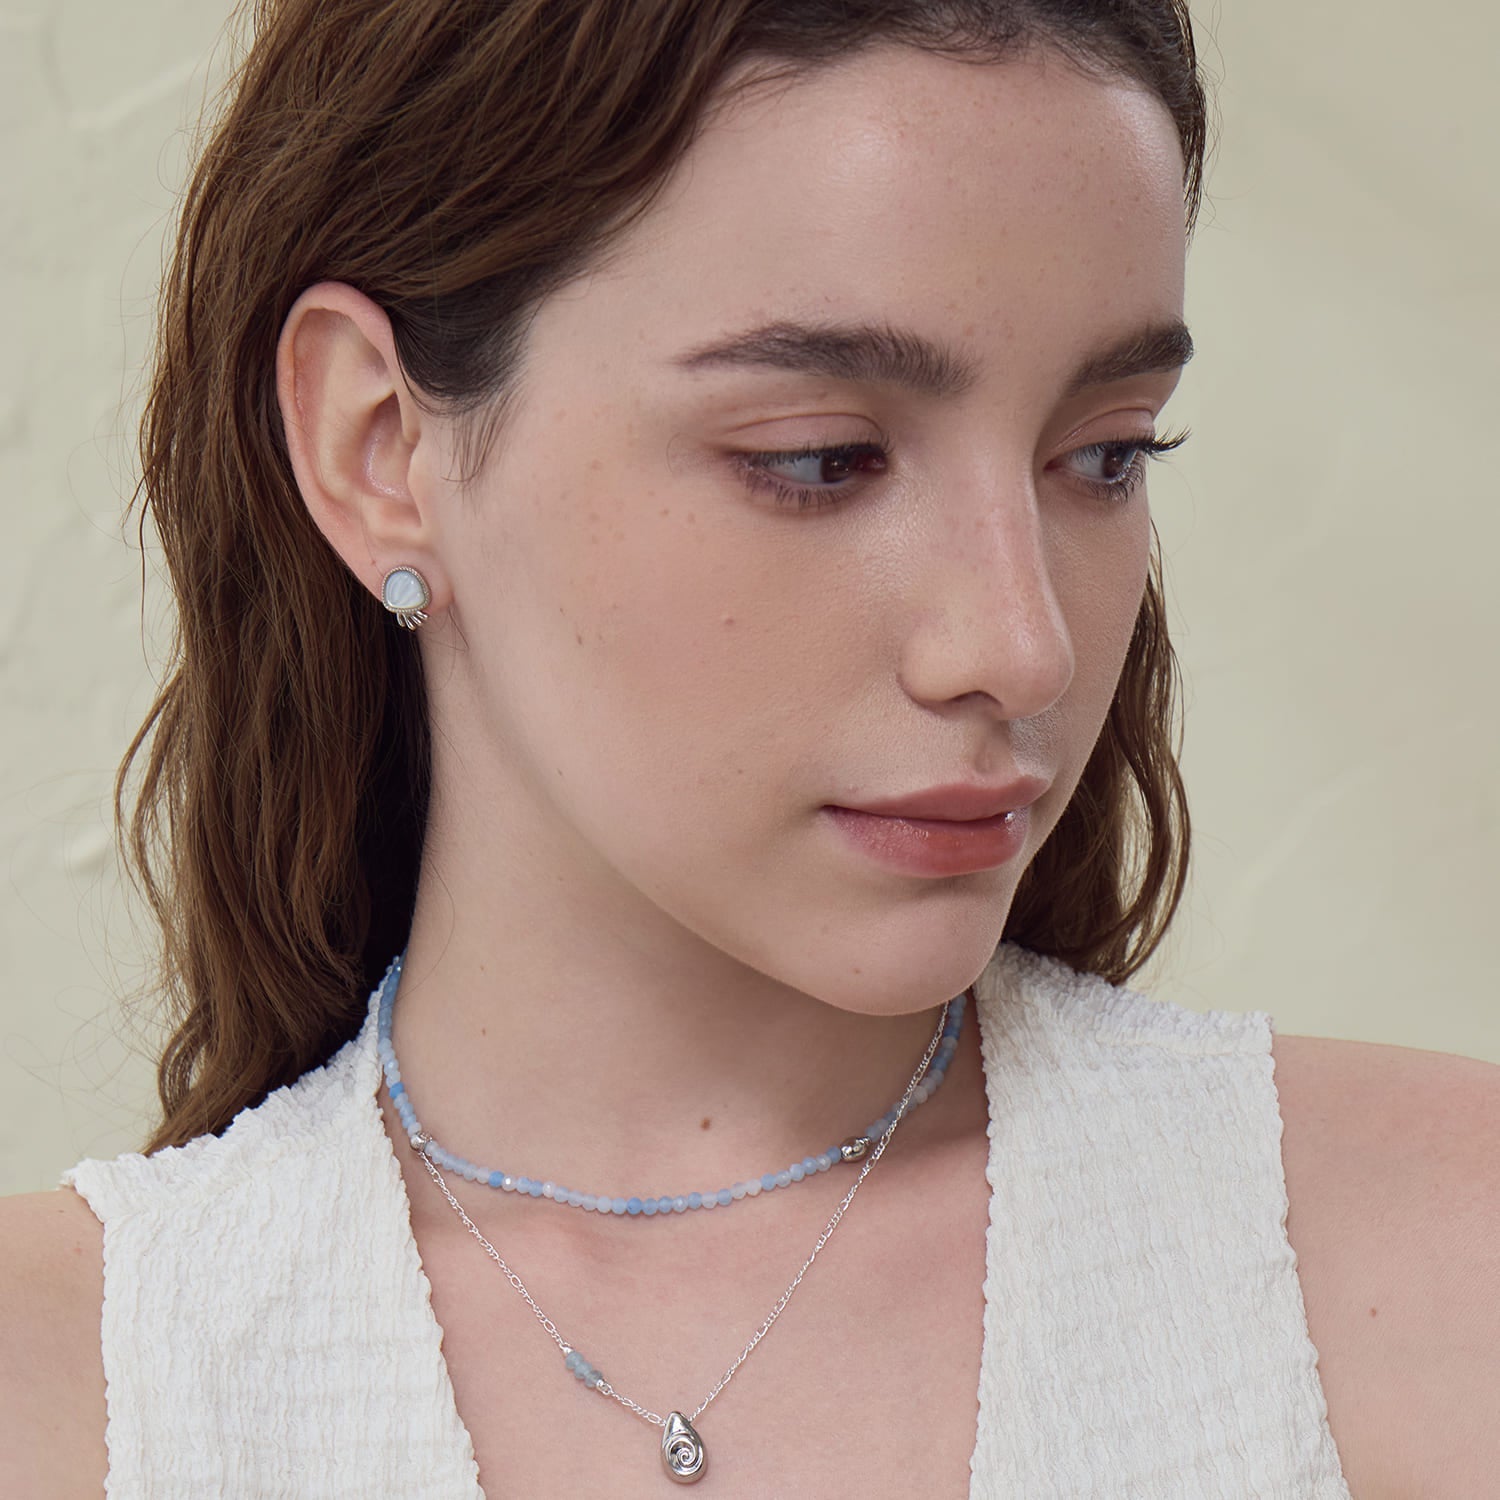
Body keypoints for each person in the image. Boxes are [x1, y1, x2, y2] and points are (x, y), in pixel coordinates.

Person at [2, 0, 1496, 1494]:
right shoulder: (68, 1394)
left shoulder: (1442, 1269)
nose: (1020, 645)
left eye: (1105, 454)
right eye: (820, 460)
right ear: (379, 446)